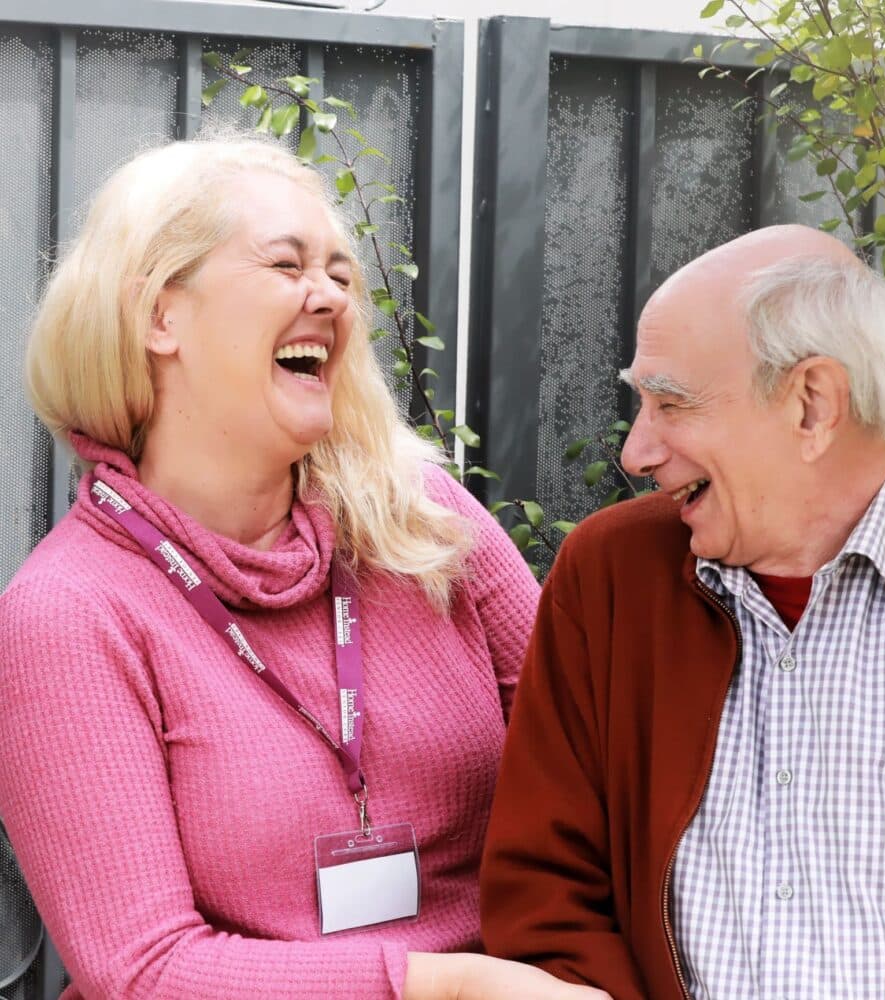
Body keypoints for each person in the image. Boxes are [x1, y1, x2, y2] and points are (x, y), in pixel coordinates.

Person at [0, 136, 608, 1000]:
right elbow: (145, 972)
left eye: (337, 273)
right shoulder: (70, 613)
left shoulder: (422, 522)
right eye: (286, 266)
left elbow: (598, 759)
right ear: (158, 317)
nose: (327, 296)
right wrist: (447, 987)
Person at [480, 225, 885, 998]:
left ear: (812, 405)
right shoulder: (609, 579)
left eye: (672, 403)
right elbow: (544, 894)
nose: (636, 451)